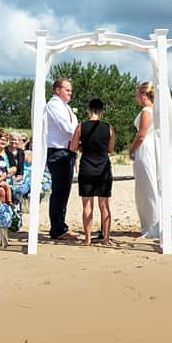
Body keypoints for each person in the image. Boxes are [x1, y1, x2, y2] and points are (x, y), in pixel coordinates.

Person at [128, 81, 172, 239]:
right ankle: (155, 222)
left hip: (146, 148)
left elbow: (141, 135)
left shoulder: (146, 111)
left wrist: (131, 149)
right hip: (155, 147)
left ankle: (155, 225)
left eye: (137, 94)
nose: (137, 98)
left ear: (143, 95)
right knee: (153, 184)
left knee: (149, 186)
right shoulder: (157, 112)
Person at [69, 98, 115, 246]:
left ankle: (88, 238)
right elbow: (110, 149)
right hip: (103, 168)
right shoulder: (109, 127)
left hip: (87, 167)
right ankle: (106, 238)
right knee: (105, 205)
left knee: (87, 205)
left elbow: (73, 147)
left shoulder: (81, 127)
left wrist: (83, 147)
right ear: (102, 112)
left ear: (89, 110)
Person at [45, 78, 78, 240]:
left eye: (71, 90)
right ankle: (57, 228)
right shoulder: (53, 105)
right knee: (59, 191)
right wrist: (82, 139)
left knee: (64, 190)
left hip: (68, 151)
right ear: (57, 90)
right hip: (58, 152)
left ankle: (60, 225)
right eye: (67, 90)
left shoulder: (66, 107)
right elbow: (67, 128)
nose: (70, 93)